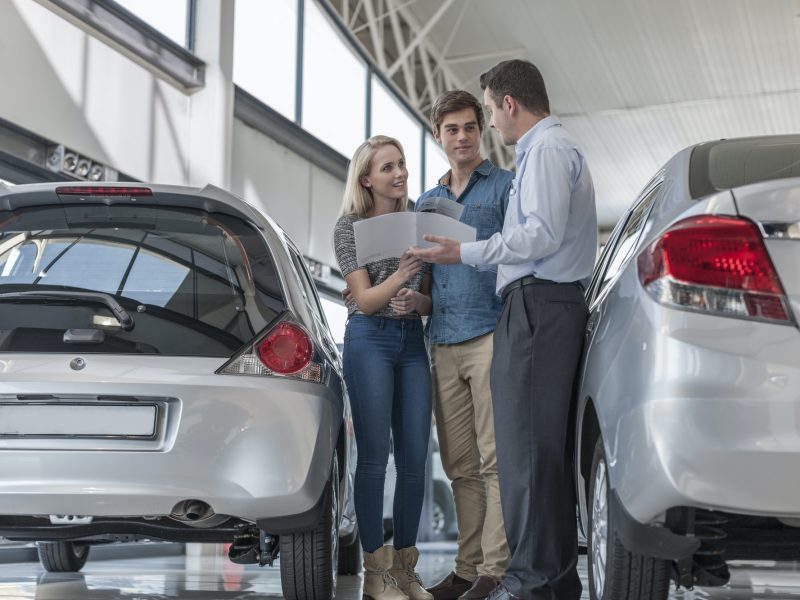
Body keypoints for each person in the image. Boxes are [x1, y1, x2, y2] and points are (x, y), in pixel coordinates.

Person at [410, 60, 598, 600]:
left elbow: (536, 236)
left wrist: (462, 250)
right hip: (532, 307)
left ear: (508, 104)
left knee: (525, 457)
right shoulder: (549, 150)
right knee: (528, 454)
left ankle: (530, 582)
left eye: (487, 112)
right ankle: (549, 581)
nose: (488, 124)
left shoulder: (543, 152)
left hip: (537, 305)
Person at [417, 90, 512, 600]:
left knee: (494, 459)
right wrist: (416, 302)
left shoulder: (505, 188)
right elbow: (431, 282)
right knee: (459, 466)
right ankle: (466, 566)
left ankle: (494, 571)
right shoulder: (426, 202)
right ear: (438, 136)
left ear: (482, 130)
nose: (462, 137)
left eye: (470, 127)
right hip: (442, 339)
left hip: (490, 333)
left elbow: (519, 256)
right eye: (451, 129)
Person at [333, 135, 434, 600]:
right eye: (388, 167)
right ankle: (375, 572)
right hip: (369, 341)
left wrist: (419, 299)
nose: (400, 173)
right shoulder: (348, 227)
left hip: (412, 340)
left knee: (415, 457)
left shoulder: (420, 221)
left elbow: (430, 296)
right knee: (375, 457)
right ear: (366, 178)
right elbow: (366, 301)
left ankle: (405, 569)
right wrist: (399, 274)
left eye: (402, 164)